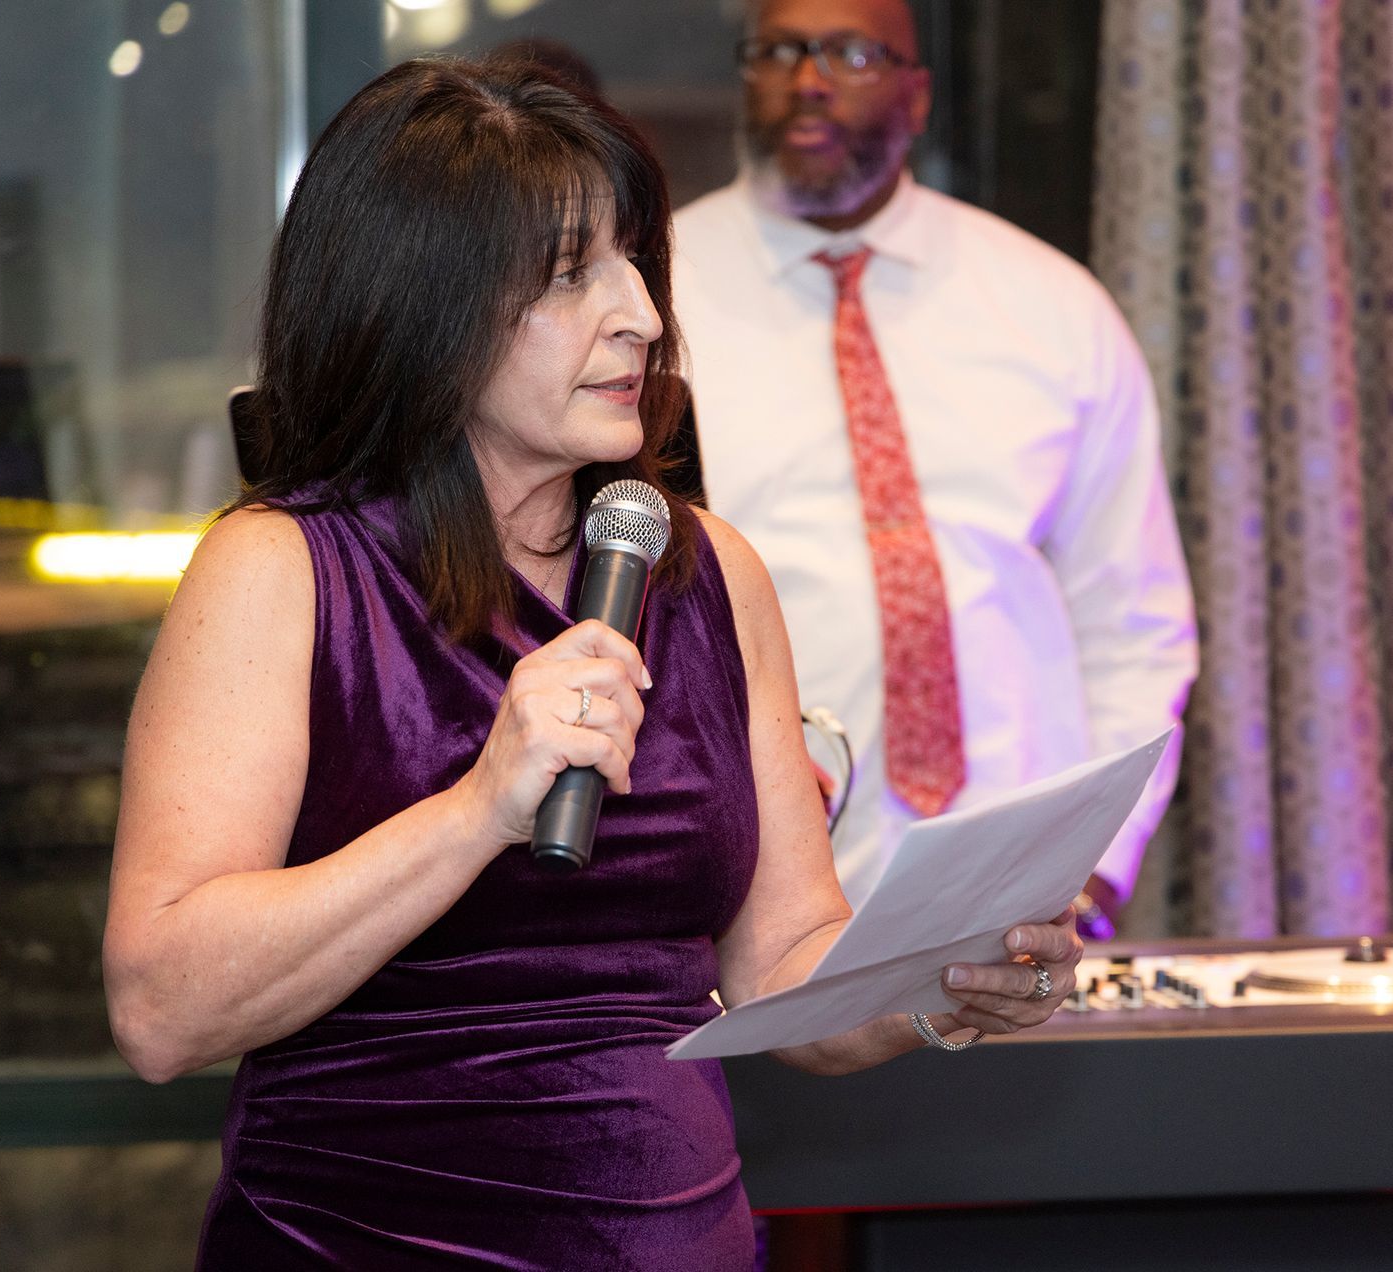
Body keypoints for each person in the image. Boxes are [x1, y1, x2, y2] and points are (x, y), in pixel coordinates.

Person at [101, 57, 1081, 1270]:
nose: (645, 318)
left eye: (637, 264)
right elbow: (162, 1010)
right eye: (574, 276)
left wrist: (941, 979)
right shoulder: (281, 571)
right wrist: (477, 809)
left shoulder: (707, 571)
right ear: (426, 304)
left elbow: (784, 966)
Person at [671, 0, 1199, 928]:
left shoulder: (1050, 305)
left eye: (851, 54)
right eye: (780, 51)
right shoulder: (654, 299)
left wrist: (1095, 868)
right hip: (751, 893)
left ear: (917, 97)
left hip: (1021, 886)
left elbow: (1132, 621)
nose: (809, 80)